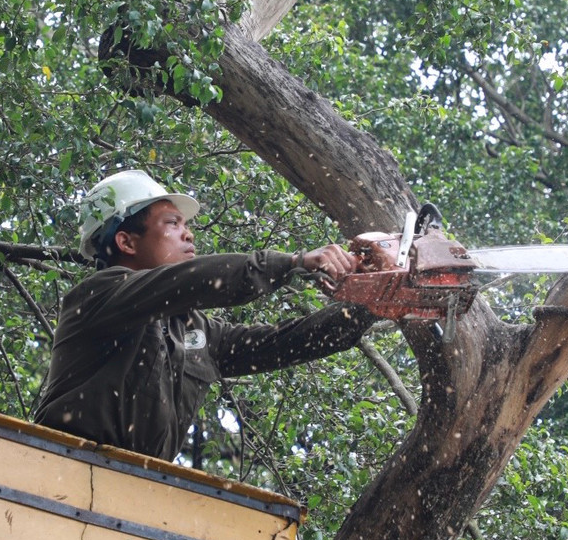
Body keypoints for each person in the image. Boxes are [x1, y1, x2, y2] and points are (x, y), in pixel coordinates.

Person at [32, 169, 376, 462]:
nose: (188, 233)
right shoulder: (97, 296)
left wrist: (372, 302)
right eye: (172, 223)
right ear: (127, 242)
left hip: (138, 489)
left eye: (185, 224)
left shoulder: (192, 329)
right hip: (62, 468)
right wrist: (294, 262)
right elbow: (191, 281)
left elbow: (279, 343)